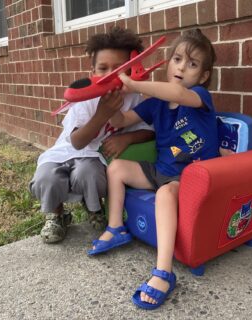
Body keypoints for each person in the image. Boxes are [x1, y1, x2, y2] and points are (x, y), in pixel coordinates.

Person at [88, 29, 219, 310]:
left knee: (164, 195)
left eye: (192, 64)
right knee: (118, 168)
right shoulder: (156, 103)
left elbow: (177, 92)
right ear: (169, 61)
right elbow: (122, 120)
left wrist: (135, 86)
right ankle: (115, 228)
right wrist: (109, 96)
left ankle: (163, 273)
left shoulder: (199, 97)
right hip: (161, 171)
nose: (181, 67)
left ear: (204, 76)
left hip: (192, 178)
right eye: (177, 59)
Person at [29, 27, 154, 244]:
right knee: (46, 178)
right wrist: (102, 114)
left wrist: (128, 138)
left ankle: (93, 207)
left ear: (131, 70)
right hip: (66, 151)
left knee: (91, 175)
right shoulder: (85, 99)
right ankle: (57, 215)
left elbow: (149, 131)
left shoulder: (134, 98)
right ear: (92, 72)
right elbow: (77, 142)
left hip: (94, 157)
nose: (110, 75)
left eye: (118, 69)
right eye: (102, 68)